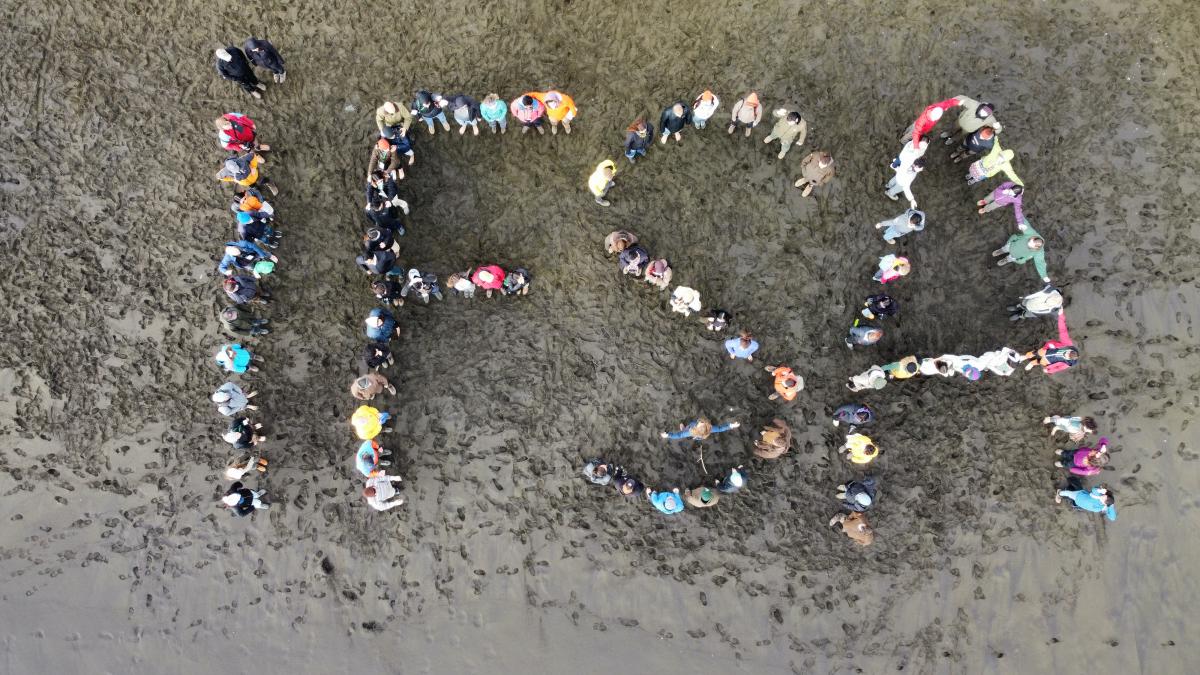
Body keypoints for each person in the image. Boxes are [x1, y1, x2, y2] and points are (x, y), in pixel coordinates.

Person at [1021, 309, 1078, 374]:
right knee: (1036, 352)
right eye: (1067, 352)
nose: (1065, 353)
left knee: (1040, 361)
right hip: (1047, 350)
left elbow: (1058, 368)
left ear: (1069, 359)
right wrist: (1061, 315)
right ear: (1070, 350)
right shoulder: (1067, 344)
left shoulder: (1067, 364)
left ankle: (1032, 363)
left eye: (1067, 356)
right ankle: (1026, 356)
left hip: (1048, 360)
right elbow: (1063, 330)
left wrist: (1048, 370)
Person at [660, 417, 740, 440]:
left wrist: (667, 435)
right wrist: (731, 426)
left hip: (692, 432)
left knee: (684, 431)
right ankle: (696, 437)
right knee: (697, 437)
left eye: (698, 424)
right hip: (700, 436)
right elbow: (720, 428)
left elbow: (678, 436)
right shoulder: (710, 428)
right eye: (701, 423)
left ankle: (683, 428)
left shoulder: (690, 431)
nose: (699, 422)